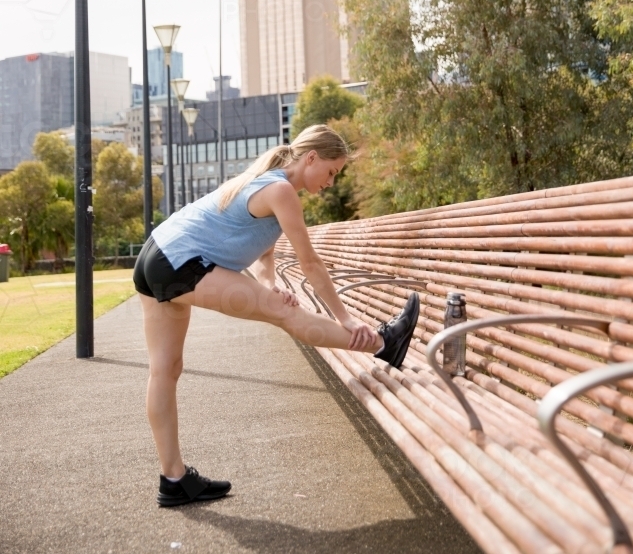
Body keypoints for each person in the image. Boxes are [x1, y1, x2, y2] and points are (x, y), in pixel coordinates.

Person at [133, 124, 420, 508]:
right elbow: (311, 264)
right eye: (332, 171)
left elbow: (263, 253)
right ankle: (386, 343)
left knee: (164, 370)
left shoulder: (266, 181)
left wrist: (268, 284)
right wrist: (346, 318)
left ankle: (174, 479)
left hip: (155, 255)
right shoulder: (282, 190)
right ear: (311, 158)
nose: (331, 182)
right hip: (181, 263)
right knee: (288, 316)